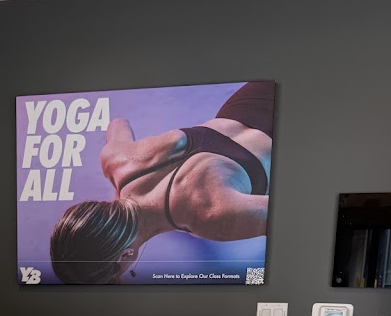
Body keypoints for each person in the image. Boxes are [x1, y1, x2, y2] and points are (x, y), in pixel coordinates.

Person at [50, 81, 274, 284]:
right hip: (254, 96)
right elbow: (117, 123)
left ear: (124, 255)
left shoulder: (210, 218)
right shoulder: (116, 161)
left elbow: (292, 217)